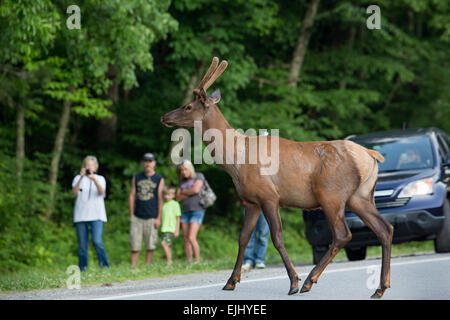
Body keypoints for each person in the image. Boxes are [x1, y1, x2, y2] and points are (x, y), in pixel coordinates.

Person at [71, 155, 110, 271]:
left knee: (97, 241)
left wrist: (93, 179)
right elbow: (74, 192)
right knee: (82, 245)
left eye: (91, 165)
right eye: (87, 165)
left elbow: (102, 192)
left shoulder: (100, 178)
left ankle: (105, 266)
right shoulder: (77, 178)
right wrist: (82, 178)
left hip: (97, 215)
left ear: (95, 167)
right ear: (84, 166)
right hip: (80, 216)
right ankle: (83, 268)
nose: (89, 167)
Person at [128, 153, 165, 267]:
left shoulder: (159, 178)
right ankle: (133, 267)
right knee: (135, 244)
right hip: (137, 216)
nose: (148, 163)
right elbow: (132, 195)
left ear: (154, 163)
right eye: (146, 161)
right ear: (143, 163)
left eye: (150, 161)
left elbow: (160, 198)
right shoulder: (137, 176)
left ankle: (147, 267)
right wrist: (131, 215)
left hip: (152, 216)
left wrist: (159, 217)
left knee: (150, 245)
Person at [176, 160, 205, 264]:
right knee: (185, 238)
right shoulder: (181, 181)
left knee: (191, 237)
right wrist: (190, 192)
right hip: (185, 211)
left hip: (197, 210)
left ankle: (197, 261)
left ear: (190, 168)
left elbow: (196, 190)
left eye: (185, 169)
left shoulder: (198, 176)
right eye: (181, 170)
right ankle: (189, 261)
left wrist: (184, 192)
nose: (183, 172)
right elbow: (178, 197)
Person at [241, 202, 270, 272]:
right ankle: (248, 260)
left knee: (263, 235)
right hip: (249, 205)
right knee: (249, 234)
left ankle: (260, 260)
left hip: (264, 206)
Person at [160, 186, 181, 265]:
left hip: (171, 229)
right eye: (165, 194)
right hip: (164, 229)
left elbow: (178, 218)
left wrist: (177, 230)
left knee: (164, 243)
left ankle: (169, 261)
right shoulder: (164, 205)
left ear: (173, 195)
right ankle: (169, 261)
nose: (166, 196)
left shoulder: (175, 204)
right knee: (168, 246)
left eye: (169, 194)